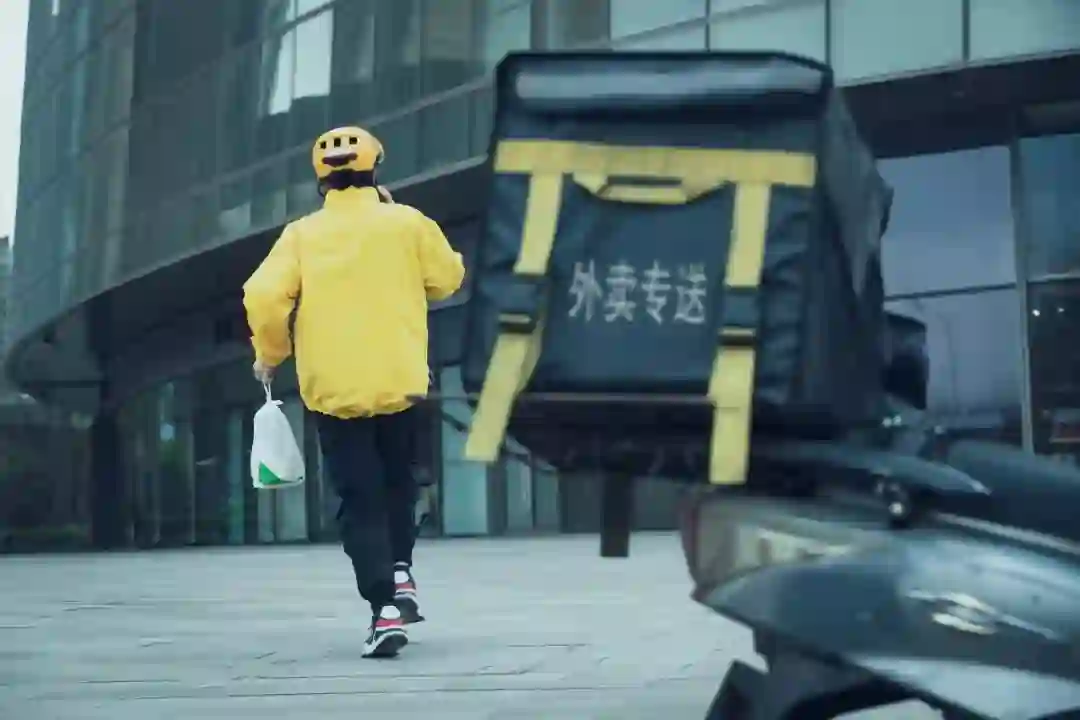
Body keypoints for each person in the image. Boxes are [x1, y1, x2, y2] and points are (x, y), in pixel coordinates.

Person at [243, 126, 465, 658]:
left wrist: (271, 353)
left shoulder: (301, 235)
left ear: (320, 179)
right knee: (400, 481)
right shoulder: (407, 223)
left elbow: (263, 295)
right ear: (375, 169)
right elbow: (448, 279)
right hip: (402, 381)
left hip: (334, 389)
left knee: (360, 498)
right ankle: (402, 570)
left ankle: (384, 609)